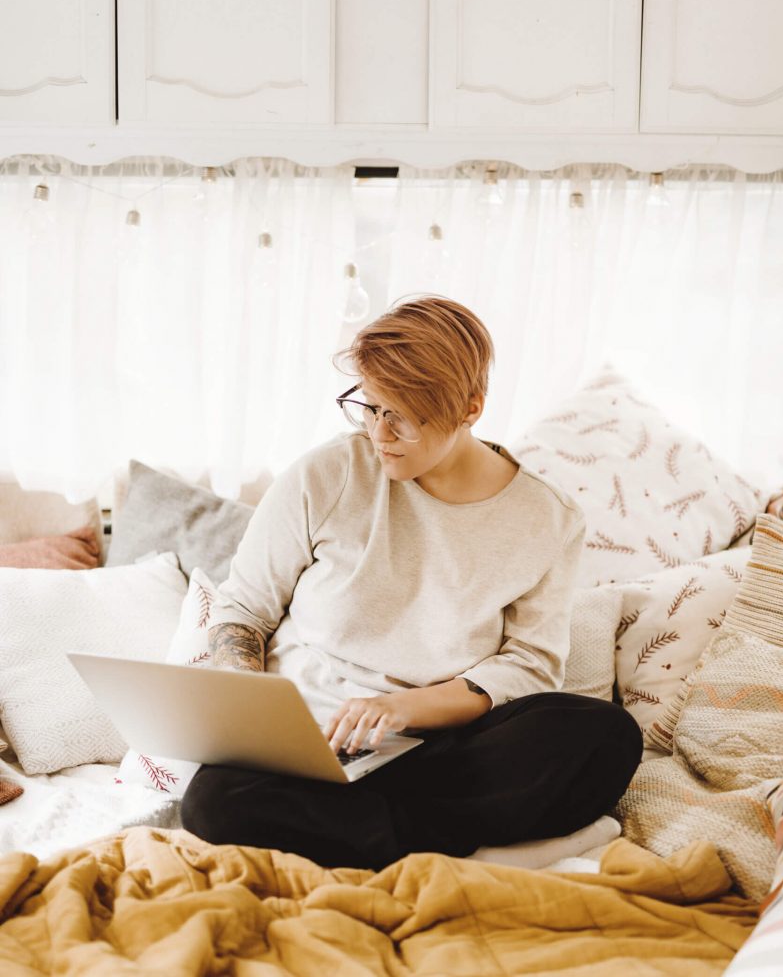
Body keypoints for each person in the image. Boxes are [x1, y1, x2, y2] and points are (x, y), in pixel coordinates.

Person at [180, 296, 643, 869]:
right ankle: (433, 840)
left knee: (604, 735)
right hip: (311, 738)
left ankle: (357, 832)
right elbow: (244, 610)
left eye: (400, 416)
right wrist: (247, 707)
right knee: (212, 802)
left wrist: (403, 708)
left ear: (470, 408)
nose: (380, 433)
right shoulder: (326, 475)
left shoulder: (547, 518)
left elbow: (530, 664)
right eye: (370, 407)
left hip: (438, 745)